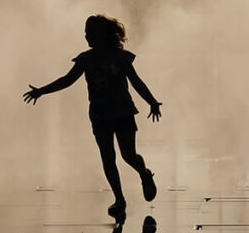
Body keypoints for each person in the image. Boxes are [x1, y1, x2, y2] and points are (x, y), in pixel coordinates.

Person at [24, 14, 162, 218]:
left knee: (128, 155)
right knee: (108, 157)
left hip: (123, 111)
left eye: (91, 32)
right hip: (99, 114)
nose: (87, 37)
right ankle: (119, 199)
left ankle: (144, 173)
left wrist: (151, 101)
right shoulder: (85, 59)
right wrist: (42, 91)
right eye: (86, 33)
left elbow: (136, 81)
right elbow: (67, 80)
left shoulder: (120, 57)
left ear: (105, 34)